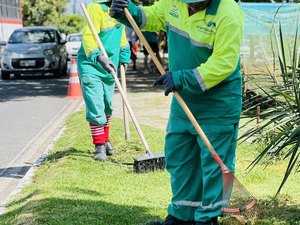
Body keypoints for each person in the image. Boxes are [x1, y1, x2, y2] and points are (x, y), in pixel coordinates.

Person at [109, 0, 244, 224]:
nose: (191, 6)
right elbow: (151, 16)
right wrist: (127, 12)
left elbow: (225, 61)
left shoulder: (228, 12)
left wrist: (182, 77)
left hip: (217, 102)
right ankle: (181, 216)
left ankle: (207, 218)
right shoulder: (174, 2)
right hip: (185, 99)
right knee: (179, 157)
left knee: (213, 165)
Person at [77, 0, 130, 161]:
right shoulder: (95, 8)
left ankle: (105, 140)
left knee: (107, 105)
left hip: (110, 68)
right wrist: (98, 56)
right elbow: (88, 36)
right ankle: (99, 145)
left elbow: (121, 37)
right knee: (96, 105)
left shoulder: (119, 10)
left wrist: (124, 55)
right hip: (91, 65)